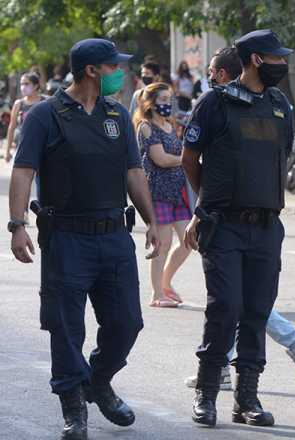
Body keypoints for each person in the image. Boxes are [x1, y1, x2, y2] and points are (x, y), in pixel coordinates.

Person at [8, 38, 161, 440]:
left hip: (113, 237)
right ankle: (74, 407)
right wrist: (17, 223)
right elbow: (24, 171)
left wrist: (153, 222)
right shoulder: (46, 115)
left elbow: (134, 172)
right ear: (92, 71)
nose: (121, 73)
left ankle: (98, 379)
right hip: (66, 240)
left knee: (127, 322)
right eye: (115, 67)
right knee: (65, 327)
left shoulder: (115, 114)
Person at [181, 44, 295, 394]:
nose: (283, 63)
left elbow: (279, 155)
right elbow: (189, 158)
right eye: (277, 57)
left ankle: (247, 398)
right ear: (257, 60)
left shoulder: (278, 105)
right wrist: (207, 203)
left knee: (256, 313)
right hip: (223, 222)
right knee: (225, 308)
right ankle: (208, 392)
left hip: (266, 225)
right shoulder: (215, 102)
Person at [134, 82, 192, 308]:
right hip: (157, 191)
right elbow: (160, 159)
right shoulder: (146, 127)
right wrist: (187, 160)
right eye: (163, 100)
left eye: (170, 99)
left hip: (177, 191)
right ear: (151, 103)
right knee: (163, 243)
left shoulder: (170, 124)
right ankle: (157, 294)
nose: (168, 104)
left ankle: (166, 283)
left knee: (188, 239)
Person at [4, 72, 47, 162]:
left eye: (26, 84)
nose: (23, 87)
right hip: (23, 147)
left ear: (35, 86)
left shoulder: (46, 101)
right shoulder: (18, 104)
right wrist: (7, 151)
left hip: (44, 147)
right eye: (22, 84)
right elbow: (11, 128)